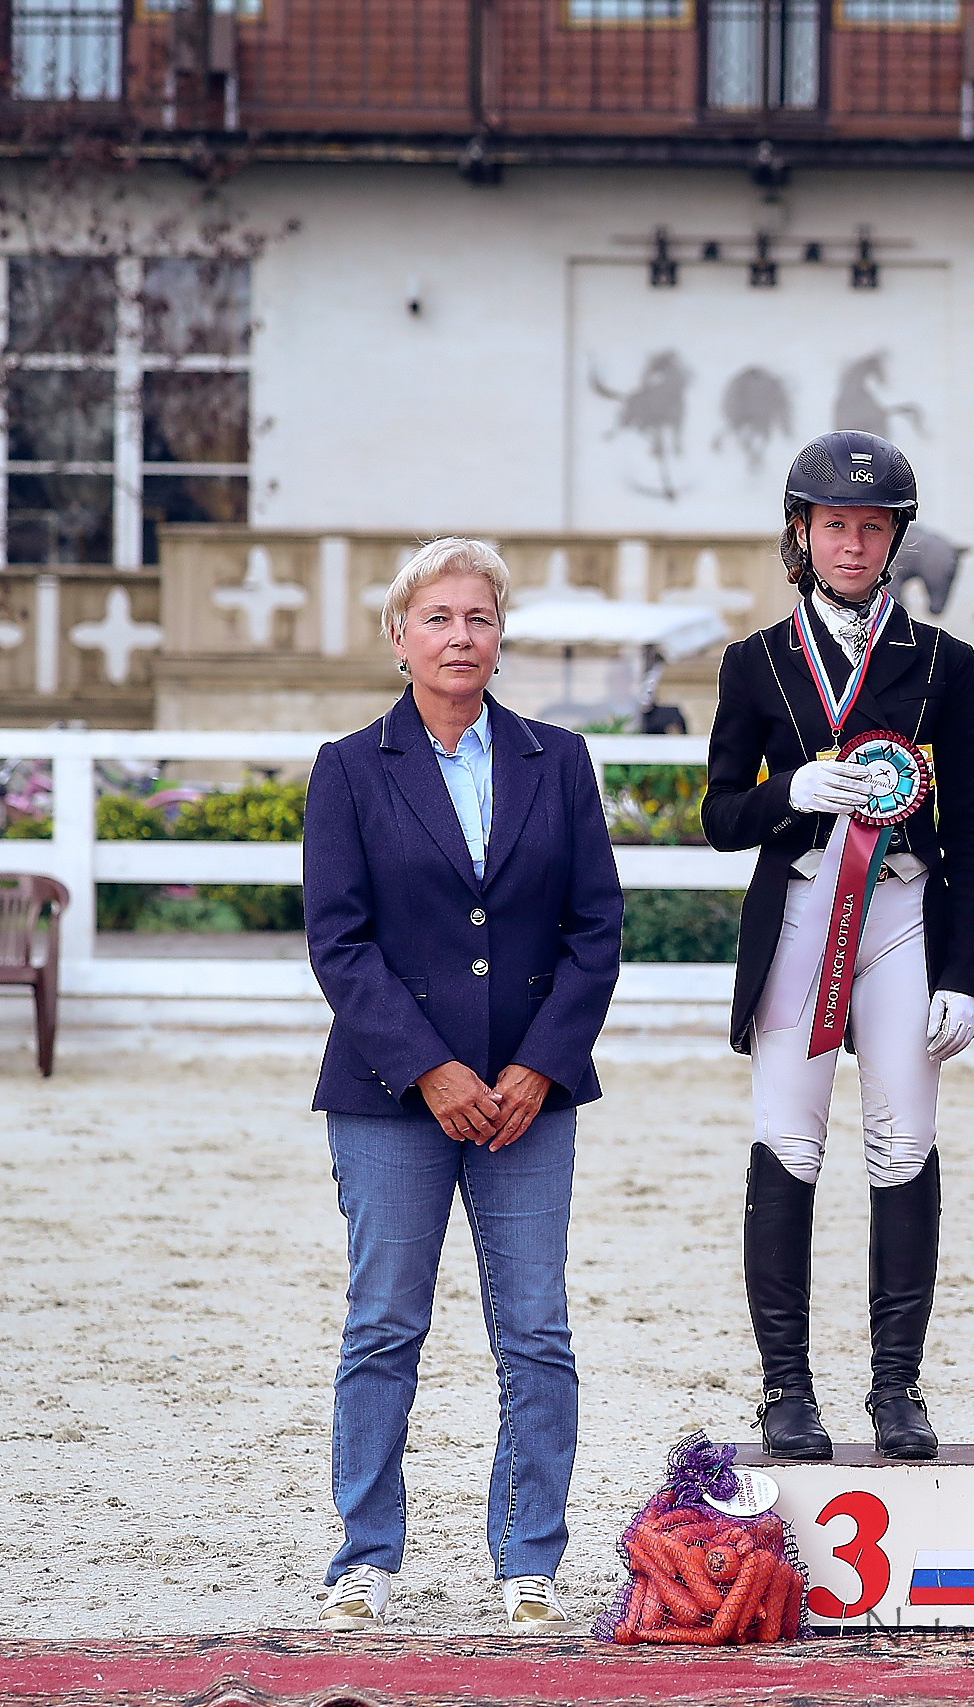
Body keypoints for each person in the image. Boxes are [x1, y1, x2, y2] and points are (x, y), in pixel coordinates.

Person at [303, 537, 623, 1633]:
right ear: (400, 637)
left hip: (530, 1099)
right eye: (436, 618)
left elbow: (595, 932)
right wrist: (432, 1069)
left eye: (477, 617)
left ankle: (527, 1558)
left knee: (535, 1329)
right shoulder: (349, 768)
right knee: (383, 1326)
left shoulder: (558, 760)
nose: (459, 636)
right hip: (392, 1094)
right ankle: (364, 1557)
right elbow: (339, 944)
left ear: (500, 635)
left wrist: (537, 1066)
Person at [703, 430, 974, 1462]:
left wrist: (963, 970)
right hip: (799, 917)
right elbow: (718, 815)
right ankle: (787, 1389)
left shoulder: (942, 665)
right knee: (789, 1139)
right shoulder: (753, 665)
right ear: (802, 533)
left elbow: (972, 830)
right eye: (836, 527)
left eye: (874, 528)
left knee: (902, 1142)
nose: (855, 544)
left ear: (896, 538)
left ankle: (896, 1387)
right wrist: (791, 793)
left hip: (903, 918)